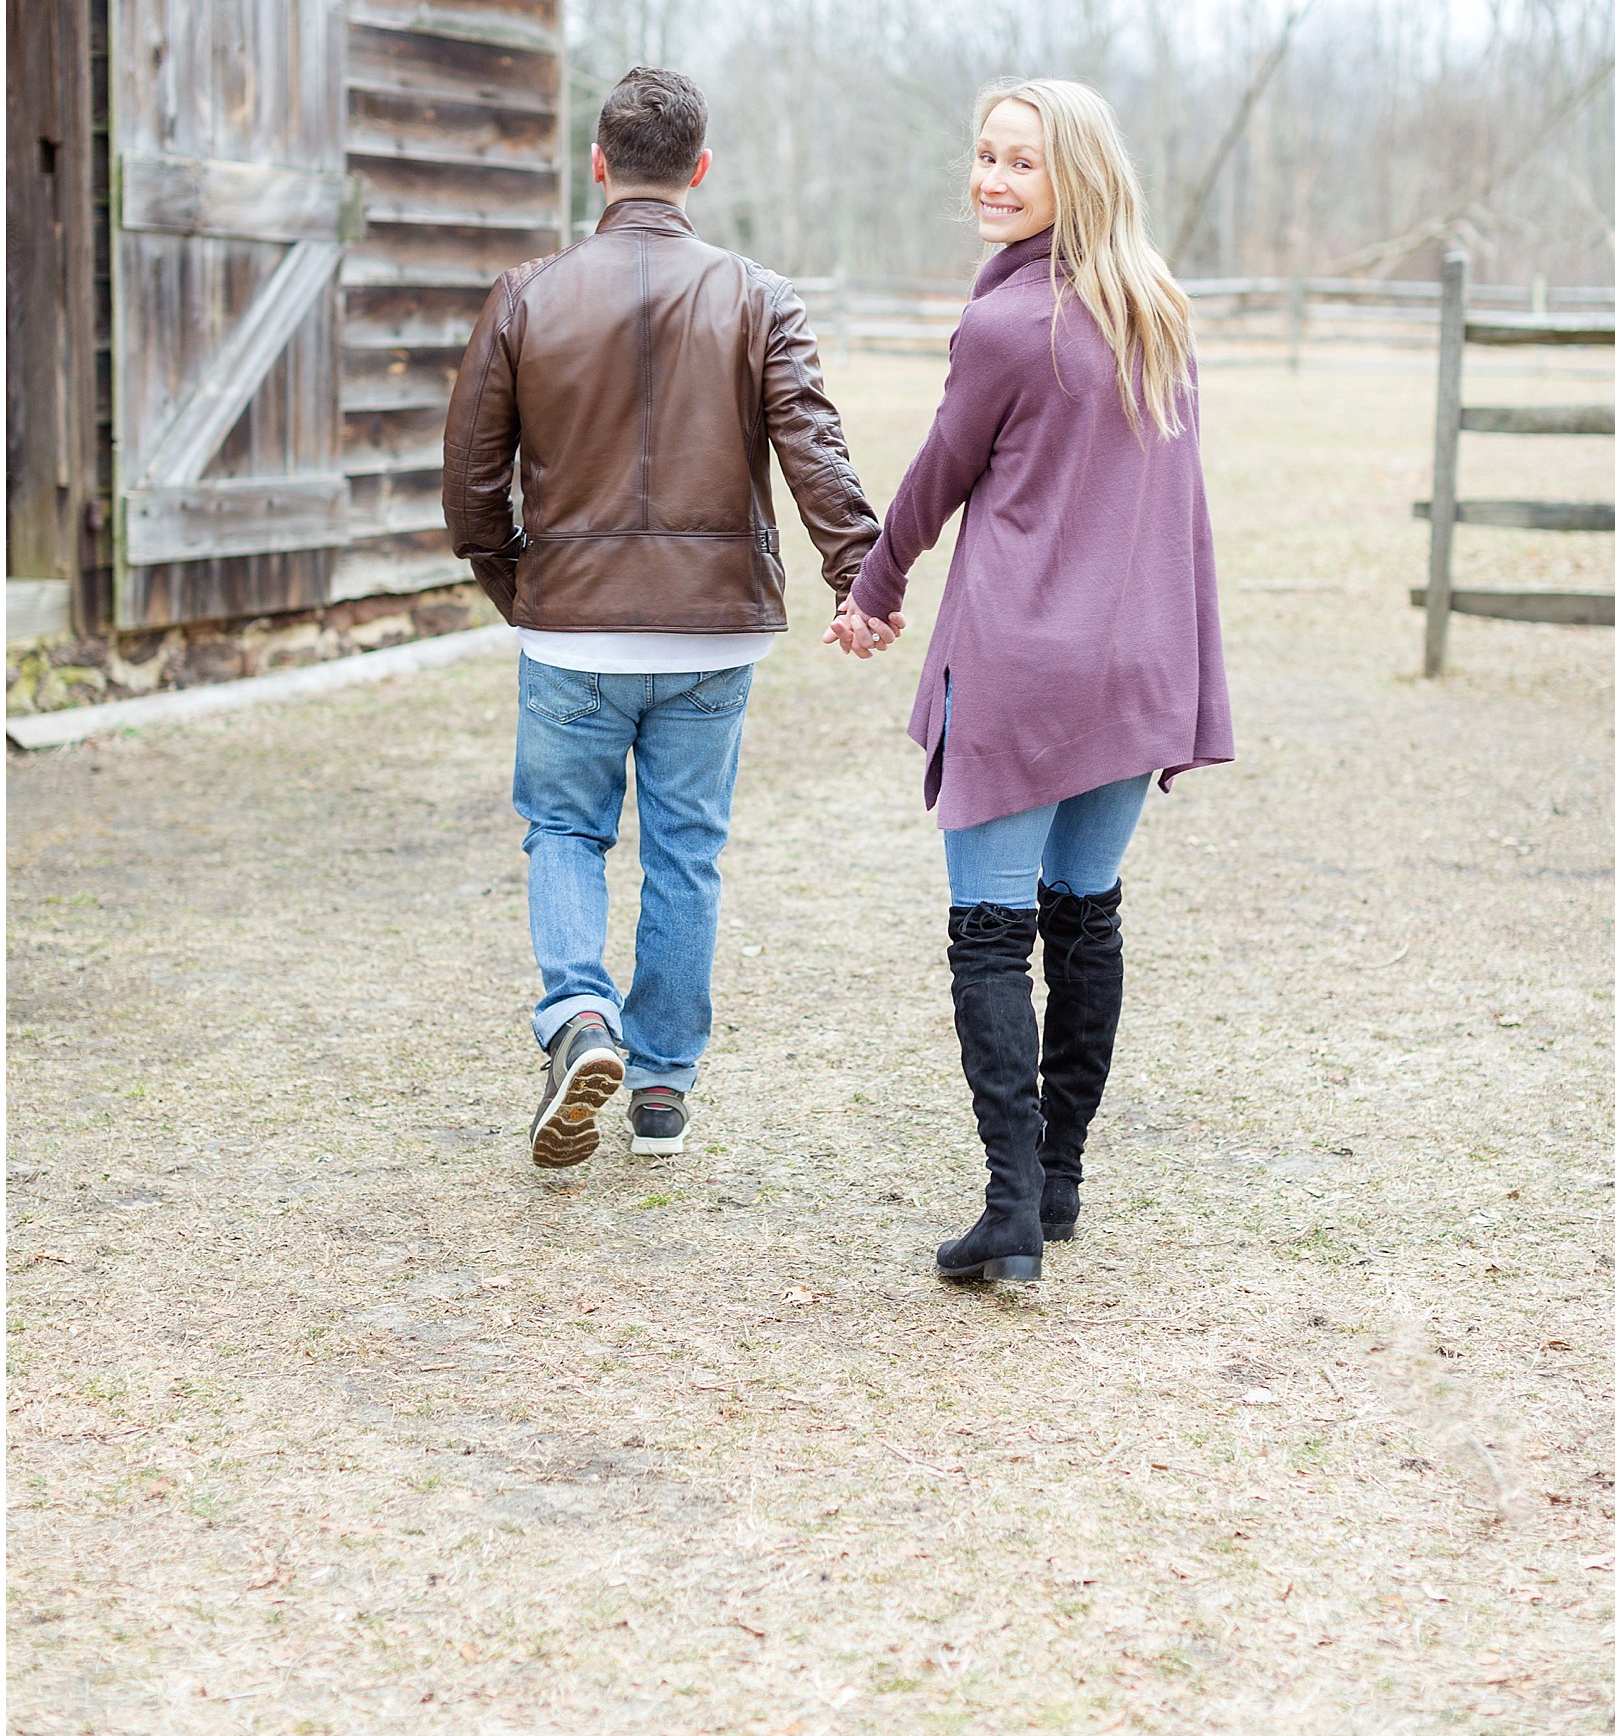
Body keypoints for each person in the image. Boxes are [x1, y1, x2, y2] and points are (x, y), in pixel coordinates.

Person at [826, 78, 1232, 1284]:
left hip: (1025, 666)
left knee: (993, 933)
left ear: (1079, 180)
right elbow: (1185, 517)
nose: (991, 180)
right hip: (1139, 661)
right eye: (985, 156)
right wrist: (1192, 661)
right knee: (1085, 908)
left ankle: (1013, 1210)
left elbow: (936, 474)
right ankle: (1056, 1185)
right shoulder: (1158, 312)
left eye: (1021, 163)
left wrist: (873, 588)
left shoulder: (1010, 326)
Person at [444, 66, 882, 1170]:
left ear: (597, 165)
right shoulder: (758, 296)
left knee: (565, 831)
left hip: (573, 627)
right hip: (710, 633)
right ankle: (658, 1093)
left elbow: (468, 480)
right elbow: (813, 450)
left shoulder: (525, 295)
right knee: (686, 851)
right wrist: (858, 574)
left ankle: (578, 1017)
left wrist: (519, 584)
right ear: (698, 171)